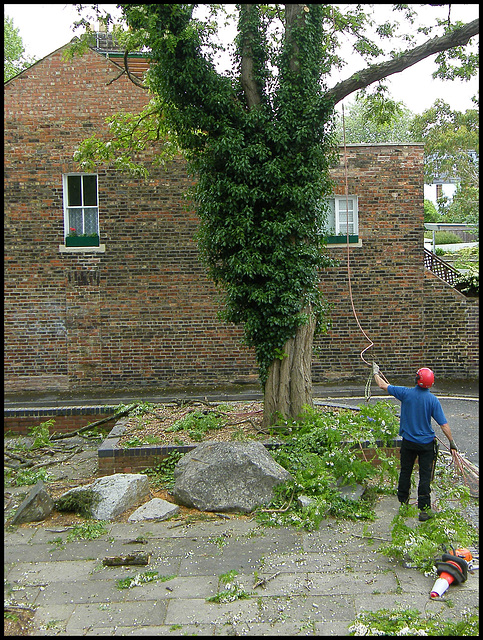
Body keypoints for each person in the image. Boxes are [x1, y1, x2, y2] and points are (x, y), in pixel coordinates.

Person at [373, 365, 457, 522]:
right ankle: (424, 511)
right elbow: (443, 425)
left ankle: (403, 504)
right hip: (426, 445)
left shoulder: (405, 393)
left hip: (409, 443)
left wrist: (375, 373)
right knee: (425, 476)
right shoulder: (432, 400)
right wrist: (452, 443)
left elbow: (382, 385)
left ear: (417, 380)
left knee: (406, 472)